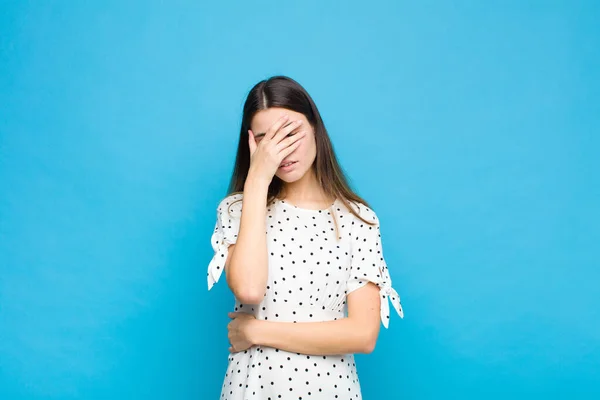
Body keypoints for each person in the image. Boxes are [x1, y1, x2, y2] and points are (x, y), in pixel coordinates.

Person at [207, 75, 404, 400]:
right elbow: (249, 289)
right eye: (267, 141)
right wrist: (256, 180)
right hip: (252, 388)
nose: (280, 151)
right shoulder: (236, 210)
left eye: (290, 134)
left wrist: (257, 331)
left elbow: (362, 334)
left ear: (315, 127)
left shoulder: (358, 219)